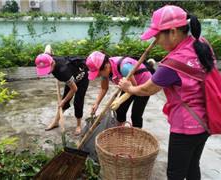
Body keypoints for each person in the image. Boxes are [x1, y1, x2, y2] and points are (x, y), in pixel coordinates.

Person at [117, 5, 216, 180]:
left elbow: (146, 89)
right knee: (193, 166)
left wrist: (128, 88)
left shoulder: (172, 64)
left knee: (175, 174)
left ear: (172, 32)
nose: (156, 42)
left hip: (186, 127)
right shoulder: (202, 44)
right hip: (207, 119)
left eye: (157, 37)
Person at [86, 51, 155, 128]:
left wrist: (119, 101)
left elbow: (134, 89)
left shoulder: (124, 68)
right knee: (120, 110)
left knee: (136, 115)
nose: (99, 76)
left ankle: (137, 136)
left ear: (105, 67)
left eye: (99, 74)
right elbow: (104, 88)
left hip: (143, 85)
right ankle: (119, 131)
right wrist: (96, 103)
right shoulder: (105, 69)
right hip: (128, 85)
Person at [35, 45, 89, 136]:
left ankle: (78, 125)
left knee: (77, 102)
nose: (47, 73)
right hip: (71, 79)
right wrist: (64, 101)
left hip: (81, 79)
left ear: (52, 63)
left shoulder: (63, 71)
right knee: (64, 100)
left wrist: (63, 101)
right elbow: (48, 46)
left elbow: (74, 89)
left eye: (47, 69)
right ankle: (56, 122)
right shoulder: (46, 57)